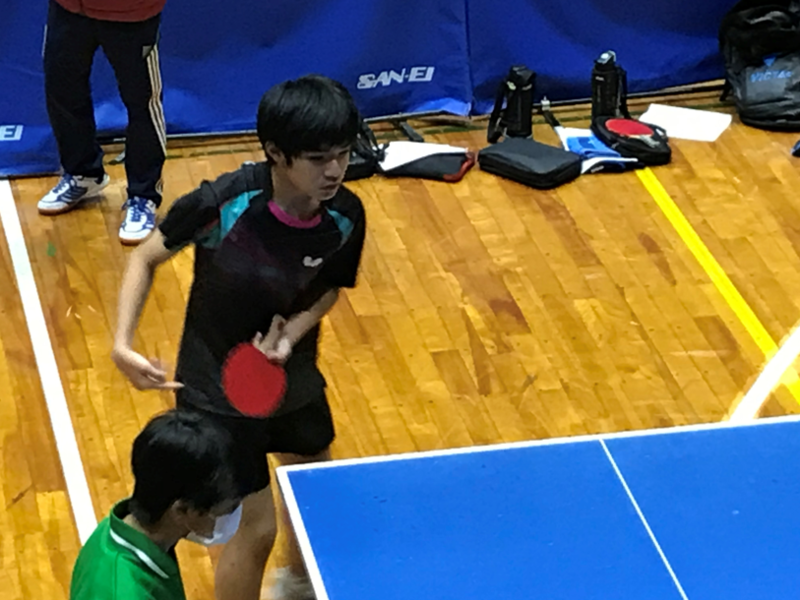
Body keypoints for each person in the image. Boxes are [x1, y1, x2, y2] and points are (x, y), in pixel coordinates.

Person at [111, 74, 366, 600]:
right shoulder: (222, 203)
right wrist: (122, 342)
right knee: (257, 529)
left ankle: (300, 585)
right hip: (218, 391)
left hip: (291, 378)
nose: (335, 170)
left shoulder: (345, 215)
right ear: (275, 153)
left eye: (343, 154)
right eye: (318, 158)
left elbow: (330, 288)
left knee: (315, 496)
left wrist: (293, 333)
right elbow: (146, 257)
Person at [70, 410, 242, 600]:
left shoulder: (125, 530)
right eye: (228, 508)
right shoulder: (123, 592)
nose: (232, 516)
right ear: (182, 510)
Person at [37, 0, 167, 245]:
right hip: (68, 9)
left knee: (142, 102)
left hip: (132, 14)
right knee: (61, 87)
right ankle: (83, 174)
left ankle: (144, 196)